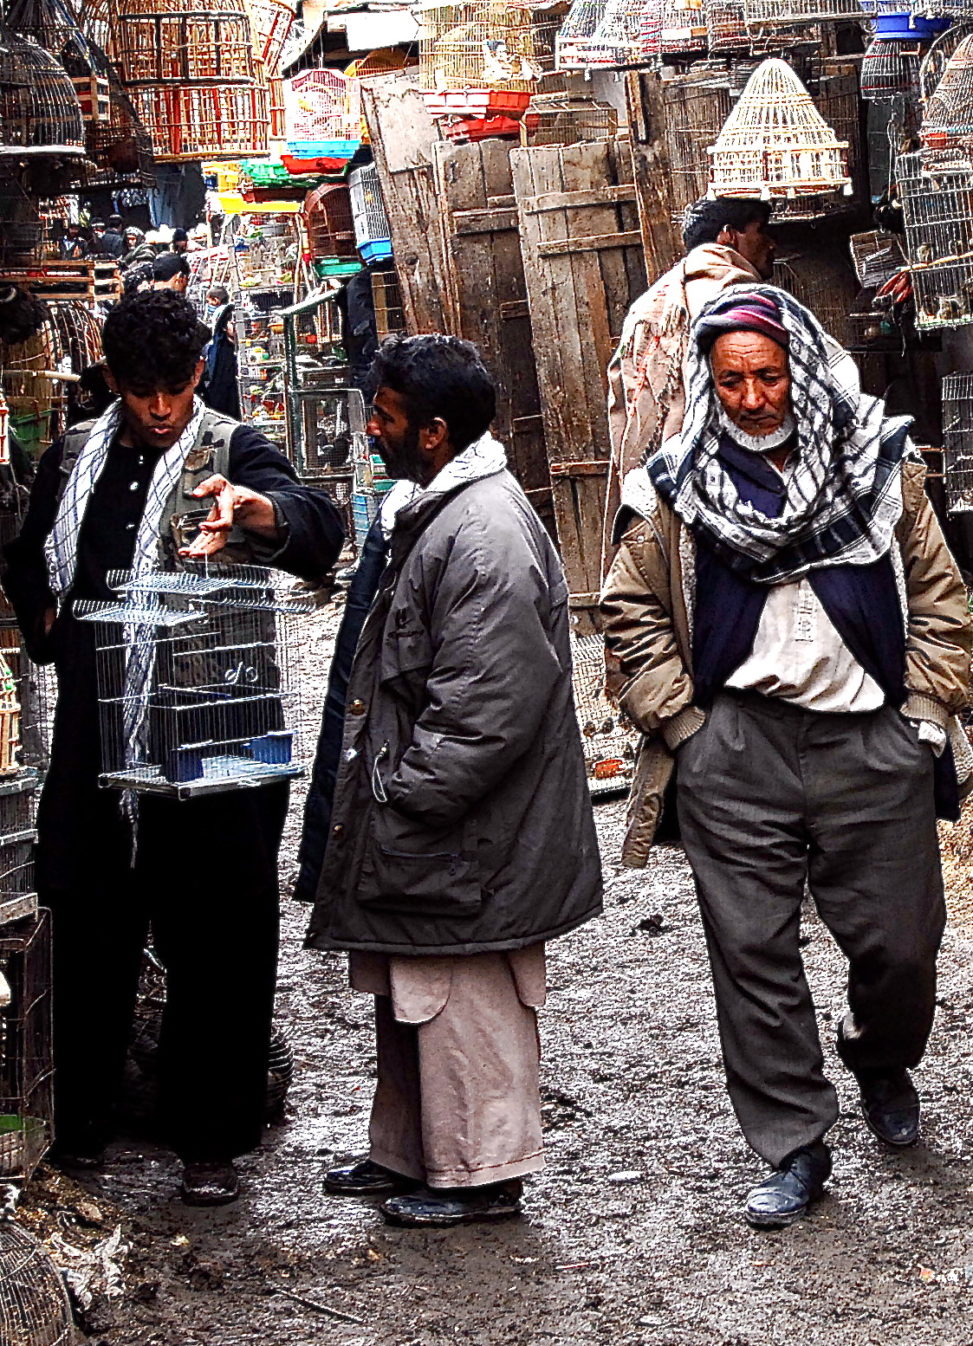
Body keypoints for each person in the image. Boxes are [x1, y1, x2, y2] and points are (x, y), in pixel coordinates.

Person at [600, 287, 972, 1229]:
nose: (754, 397)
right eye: (731, 382)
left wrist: (922, 715)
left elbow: (940, 600)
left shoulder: (881, 467)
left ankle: (881, 1058)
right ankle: (793, 1145)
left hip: (870, 746)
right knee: (752, 956)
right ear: (706, 383)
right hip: (736, 751)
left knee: (899, 946)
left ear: (800, 368)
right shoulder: (674, 488)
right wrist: (683, 728)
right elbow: (628, 611)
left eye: (768, 376)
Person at [3, 291, 344, 1207]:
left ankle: (211, 1138)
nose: (161, 408)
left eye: (176, 386)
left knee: (218, 939)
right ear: (112, 380)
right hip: (96, 740)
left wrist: (255, 517)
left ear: (200, 372)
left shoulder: (231, 451)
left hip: (212, 746)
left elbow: (318, 529)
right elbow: (35, 565)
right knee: (87, 927)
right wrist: (52, 618)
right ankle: (80, 1124)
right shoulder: (75, 457)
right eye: (143, 390)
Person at [304, 334, 603, 1228]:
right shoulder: (439, 508)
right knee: (413, 987)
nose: (371, 433)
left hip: (467, 828)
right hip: (439, 816)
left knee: (463, 996)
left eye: (385, 418)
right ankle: (412, 1153)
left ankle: (479, 1173)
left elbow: (485, 710)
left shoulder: (481, 533)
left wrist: (406, 798)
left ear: (432, 433)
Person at [201, 286, 240, 419]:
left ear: (216, 300)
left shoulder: (225, 313)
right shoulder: (222, 313)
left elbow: (233, 332)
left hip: (224, 365)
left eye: (209, 301)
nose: (208, 305)